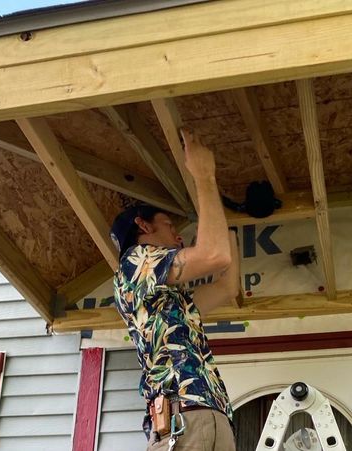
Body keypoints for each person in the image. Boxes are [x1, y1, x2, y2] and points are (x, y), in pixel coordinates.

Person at [110, 128, 240, 451]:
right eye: (170, 226)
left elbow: (227, 286)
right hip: (182, 420)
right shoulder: (134, 263)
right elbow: (215, 255)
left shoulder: (169, 302)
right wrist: (204, 176)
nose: (179, 236)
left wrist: (230, 220)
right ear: (143, 226)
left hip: (206, 418)